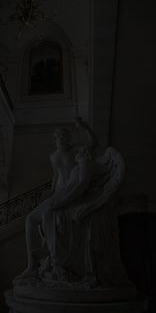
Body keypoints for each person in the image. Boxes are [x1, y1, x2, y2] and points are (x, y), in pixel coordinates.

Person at [17, 118, 96, 280]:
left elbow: (93, 143)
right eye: (59, 137)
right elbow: (56, 174)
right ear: (55, 139)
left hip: (70, 193)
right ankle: (32, 265)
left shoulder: (76, 151)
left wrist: (84, 127)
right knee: (30, 219)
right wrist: (51, 192)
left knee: (48, 216)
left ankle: (53, 257)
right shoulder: (53, 156)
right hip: (57, 192)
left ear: (69, 139)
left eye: (65, 136)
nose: (62, 139)